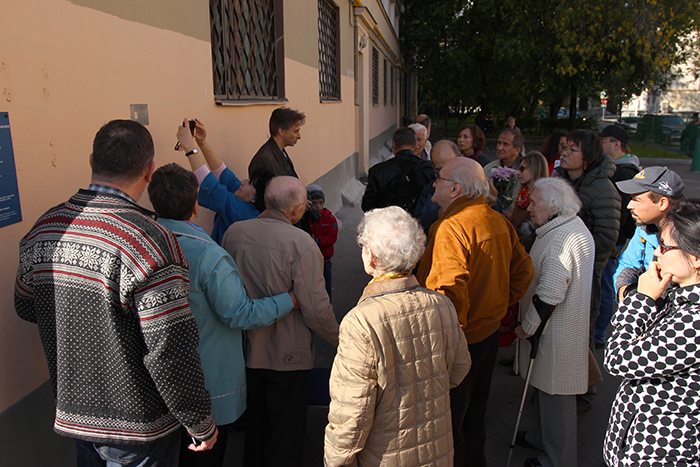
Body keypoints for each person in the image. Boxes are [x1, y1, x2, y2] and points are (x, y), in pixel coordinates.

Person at [14, 120, 217, 466]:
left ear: (92, 161)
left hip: (75, 415)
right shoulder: (149, 241)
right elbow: (170, 347)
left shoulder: (46, 228)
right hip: (140, 429)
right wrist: (200, 422)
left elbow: (26, 304)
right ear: (150, 171)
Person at [146, 163, 297, 467]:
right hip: (208, 387)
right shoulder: (208, 255)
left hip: (156, 383)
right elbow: (239, 313)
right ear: (195, 205)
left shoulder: (142, 242)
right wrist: (288, 300)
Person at [324, 206, 470, 466]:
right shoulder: (442, 304)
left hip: (384, 456)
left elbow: (351, 415)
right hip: (438, 450)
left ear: (370, 259)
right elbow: (460, 368)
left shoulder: (361, 322)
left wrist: (334, 461)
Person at [416, 157, 534, 467]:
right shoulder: (496, 219)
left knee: (449, 424)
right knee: (474, 417)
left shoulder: (450, 229)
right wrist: (495, 304)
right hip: (487, 334)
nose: (433, 184)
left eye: (439, 178)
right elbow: (524, 271)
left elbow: (447, 295)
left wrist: (447, 342)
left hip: (460, 341)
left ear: (454, 188)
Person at [222, 176, 339, 467]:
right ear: (298, 210)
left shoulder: (234, 233)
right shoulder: (301, 243)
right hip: (289, 354)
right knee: (286, 434)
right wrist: (342, 340)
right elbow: (315, 307)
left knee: (256, 430)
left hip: (247, 350)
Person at [604, 199, 700, 466]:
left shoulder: (695, 321)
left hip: (663, 453)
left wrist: (641, 299)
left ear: (695, 258)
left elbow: (618, 359)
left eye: (666, 246)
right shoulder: (679, 296)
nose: (657, 252)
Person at [514, 178, 595, 467]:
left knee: (556, 398)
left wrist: (528, 327)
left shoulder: (562, 237)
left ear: (552, 207)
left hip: (555, 334)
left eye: (534, 203)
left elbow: (549, 294)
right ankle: (542, 439)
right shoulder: (567, 227)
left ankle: (558, 460)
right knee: (547, 395)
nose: (529, 207)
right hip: (560, 331)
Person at [175, 119, 259, 244]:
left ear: (256, 198)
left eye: (250, 183)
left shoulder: (246, 213)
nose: (243, 181)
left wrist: (189, 148)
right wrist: (202, 143)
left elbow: (213, 188)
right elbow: (225, 175)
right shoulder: (246, 199)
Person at [594, 125, 641, 348]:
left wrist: (614, 241)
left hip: (615, 240)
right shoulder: (617, 168)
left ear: (616, 144)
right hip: (616, 238)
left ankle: (600, 334)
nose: (600, 145)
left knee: (606, 288)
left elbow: (621, 214)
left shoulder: (623, 172)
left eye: (604, 141)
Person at [499, 151, 548, 351]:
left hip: (530, 258)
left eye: (523, 168)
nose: (518, 172)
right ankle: (519, 353)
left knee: (528, 308)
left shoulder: (541, 197)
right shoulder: (523, 194)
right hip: (521, 255)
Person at [613, 166, 685, 302]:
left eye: (637, 200)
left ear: (662, 203)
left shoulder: (691, 234)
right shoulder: (644, 227)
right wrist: (625, 290)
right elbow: (628, 264)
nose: (629, 205)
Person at [361, 127, 435, 213]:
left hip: (387, 222)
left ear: (394, 144)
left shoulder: (378, 171)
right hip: (419, 223)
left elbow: (368, 206)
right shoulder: (428, 169)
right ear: (415, 146)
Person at [414, 139, 461, 233]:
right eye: (440, 170)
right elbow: (417, 224)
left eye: (450, 166)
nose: (446, 173)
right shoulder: (430, 190)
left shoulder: (476, 186)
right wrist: (437, 214)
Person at [248, 107, 305, 178]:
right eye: (295, 131)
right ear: (281, 132)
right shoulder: (263, 160)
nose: (299, 136)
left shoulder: (279, 153)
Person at [307, 183, 338, 302]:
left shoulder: (330, 218)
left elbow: (332, 237)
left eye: (320, 202)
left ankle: (327, 307)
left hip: (325, 260)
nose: (318, 206)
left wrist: (317, 241)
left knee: (326, 286)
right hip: (311, 261)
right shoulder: (306, 219)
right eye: (314, 203)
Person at [484, 128, 525, 212]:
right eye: (499, 143)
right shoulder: (488, 169)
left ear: (517, 150)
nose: (499, 148)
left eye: (505, 144)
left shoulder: (526, 170)